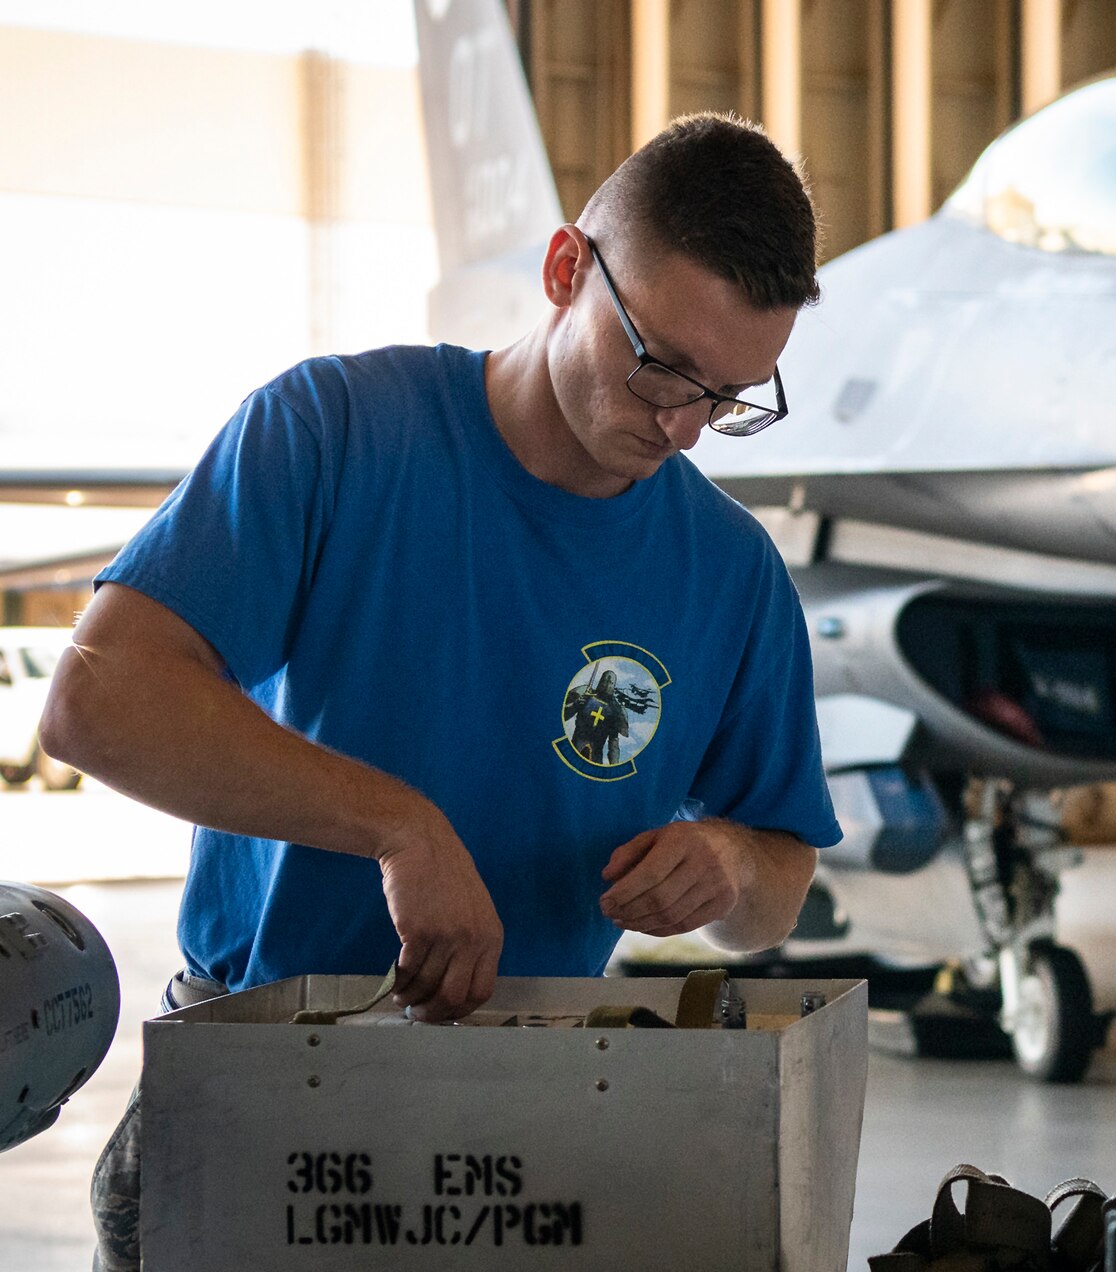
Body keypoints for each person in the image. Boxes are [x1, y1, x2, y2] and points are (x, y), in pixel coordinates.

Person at [40, 114, 841, 1272]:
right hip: (258, 1076)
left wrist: (726, 864)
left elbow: (776, 892)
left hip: (536, 1107)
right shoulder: (332, 436)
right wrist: (399, 829)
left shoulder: (729, 573)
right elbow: (98, 706)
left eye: (729, 397)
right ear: (566, 271)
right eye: (661, 367)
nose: (680, 428)